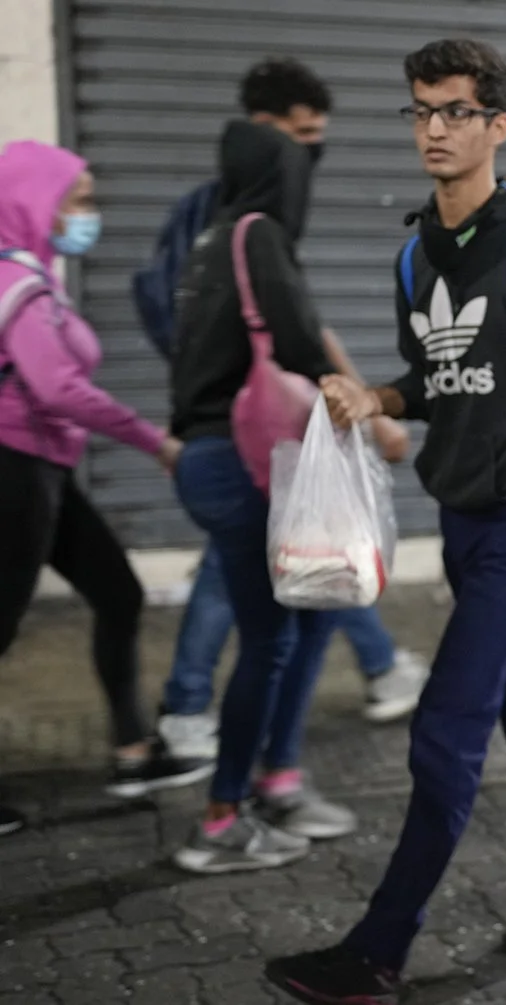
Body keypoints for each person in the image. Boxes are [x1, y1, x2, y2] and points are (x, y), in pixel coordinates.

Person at [264, 39, 506, 1002]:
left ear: (496, 126)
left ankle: (377, 950)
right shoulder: (415, 254)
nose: (435, 128)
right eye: (421, 111)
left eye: (455, 111)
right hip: (465, 517)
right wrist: (375, 399)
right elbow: (438, 382)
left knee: (445, 729)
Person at [152, 58, 429, 763]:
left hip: (233, 439)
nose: (311, 156)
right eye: (301, 138)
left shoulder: (226, 222)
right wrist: (367, 406)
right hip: (240, 444)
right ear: (265, 133)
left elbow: (289, 326)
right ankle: (224, 761)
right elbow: (290, 333)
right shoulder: (247, 223)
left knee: (302, 594)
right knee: (283, 613)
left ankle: (260, 766)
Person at [0, 141, 212, 835]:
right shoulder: (14, 283)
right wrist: (155, 440)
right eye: (80, 198)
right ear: (35, 200)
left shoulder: (34, 274)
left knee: (117, 592)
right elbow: (57, 387)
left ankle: (131, 749)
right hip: (14, 466)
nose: (90, 213)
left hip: (42, 466)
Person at [169, 119, 349, 873]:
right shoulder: (258, 233)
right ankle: (220, 818)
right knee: (271, 637)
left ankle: (276, 777)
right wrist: (360, 396)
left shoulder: (208, 239)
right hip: (244, 462)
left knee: (307, 616)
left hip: (208, 456)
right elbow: (299, 336)